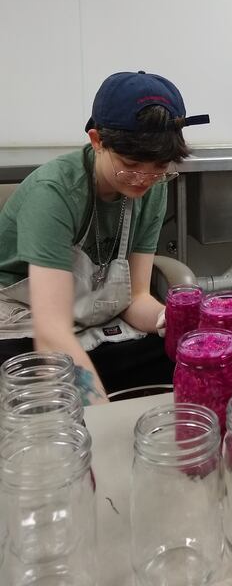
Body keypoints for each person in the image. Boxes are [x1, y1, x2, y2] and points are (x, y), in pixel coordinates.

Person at [0, 71, 209, 403]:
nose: (144, 179)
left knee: (182, 363)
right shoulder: (53, 194)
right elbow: (51, 331)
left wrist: (163, 319)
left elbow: (136, 297)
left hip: (92, 312)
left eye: (159, 167)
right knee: (30, 393)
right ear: (97, 141)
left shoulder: (152, 187)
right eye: (130, 164)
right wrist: (102, 415)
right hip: (26, 317)